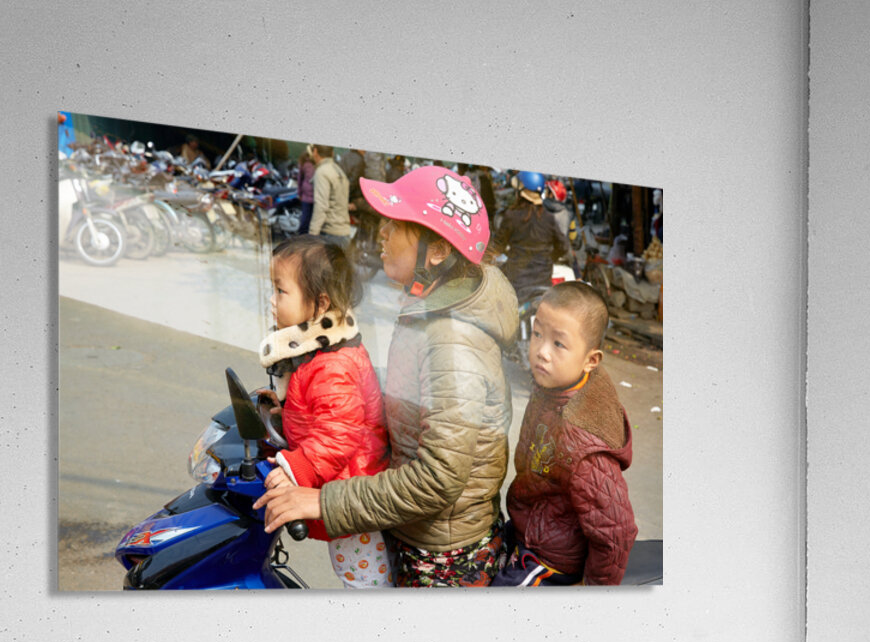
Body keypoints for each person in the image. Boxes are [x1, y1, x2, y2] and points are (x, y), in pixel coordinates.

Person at [256, 165, 518, 587]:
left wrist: (323, 500)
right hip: (411, 526)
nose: (381, 234)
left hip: (441, 553)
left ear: (435, 251)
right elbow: (405, 402)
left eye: (395, 225)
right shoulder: (428, 308)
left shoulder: (452, 340)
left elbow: (437, 479)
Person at [258, 235, 392, 587]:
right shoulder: (320, 351)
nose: (272, 302)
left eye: (280, 291)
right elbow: (318, 410)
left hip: (351, 495)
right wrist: (281, 410)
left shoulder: (333, 365)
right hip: (341, 482)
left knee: (363, 582)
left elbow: (338, 434)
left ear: (320, 304)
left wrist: (294, 469)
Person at [492, 281, 637, 586]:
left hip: (550, 558)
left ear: (591, 360)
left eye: (558, 344)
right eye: (537, 334)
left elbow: (616, 529)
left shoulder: (581, 438)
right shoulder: (554, 389)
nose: (541, 352)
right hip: (529, 527)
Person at [492, 170, 571, 302]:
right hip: (543, 279)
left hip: (517, 281)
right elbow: (564, 246)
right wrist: (549, 258)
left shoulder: (511, 216)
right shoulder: (548, 217)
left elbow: (498, 247)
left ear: (520, 192)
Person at [307, 144, 351, 248]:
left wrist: (311, 236)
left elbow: (321, 206)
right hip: (344, 233)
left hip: (330, 234)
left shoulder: (322, 172)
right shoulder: (338, 170)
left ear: (315, 152)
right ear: (332, 153)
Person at [295, 146, 315, 234]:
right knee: (305, 221)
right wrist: (299, 193)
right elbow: (300, 179)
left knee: (312, 222)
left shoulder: (319, 163)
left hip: (316, 198)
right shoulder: (304, 162)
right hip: (307, 198)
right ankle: (302, 239)